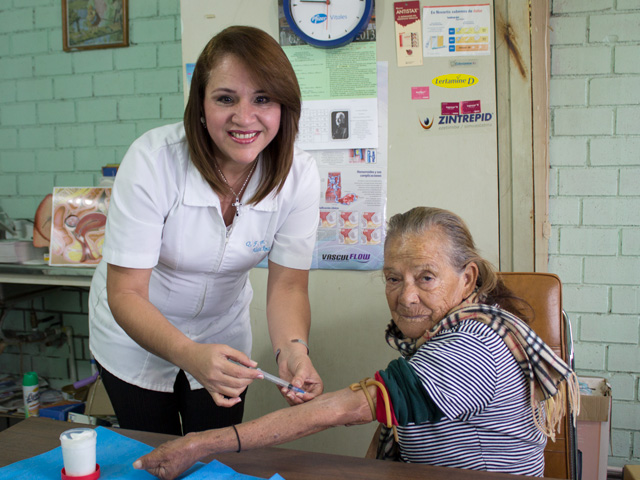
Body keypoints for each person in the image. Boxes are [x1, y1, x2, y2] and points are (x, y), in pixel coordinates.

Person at [133, 206, 580, 479]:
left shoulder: (471, 346)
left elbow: (350, 408)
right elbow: (394, 423)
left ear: (467, 279)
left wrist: (202, 443)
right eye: (392, 278)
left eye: (426, 277)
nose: (405, 296)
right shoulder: (452, 328)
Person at [88, 25, 324, 436]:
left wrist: (293, 350)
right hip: (134, 331)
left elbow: (287, 287)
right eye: (225, 98)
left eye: (263, 99)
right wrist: (188, 354)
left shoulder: (298, 176)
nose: (244, 117)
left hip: (222, 332)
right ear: (200, 104)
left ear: (284, 107)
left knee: (215, 450)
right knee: (153, 451)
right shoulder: (153, 161)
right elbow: (125, 293)